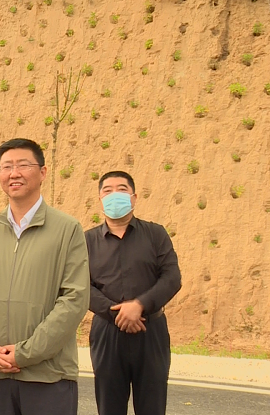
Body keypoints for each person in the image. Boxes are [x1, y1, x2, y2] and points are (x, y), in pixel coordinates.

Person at [0, 138, 90, 415]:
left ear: (42, 172)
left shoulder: (67, 229)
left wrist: (25, 353)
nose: (14, 173)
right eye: (6, 166)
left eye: (23, 165)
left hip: (49, 376)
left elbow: (74, 299)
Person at [85, 171, 182, 415]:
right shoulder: (86, 241)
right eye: (107, 190)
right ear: (100, 199)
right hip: (107, 332)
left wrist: (139, 305)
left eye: (122, 189)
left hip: (151, 331)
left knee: (152, 407)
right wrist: (116, 313)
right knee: (109, 407)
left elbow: (172, 278)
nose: (114, 195)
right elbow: (81, 286)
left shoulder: (156, 234)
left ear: (134, 197)